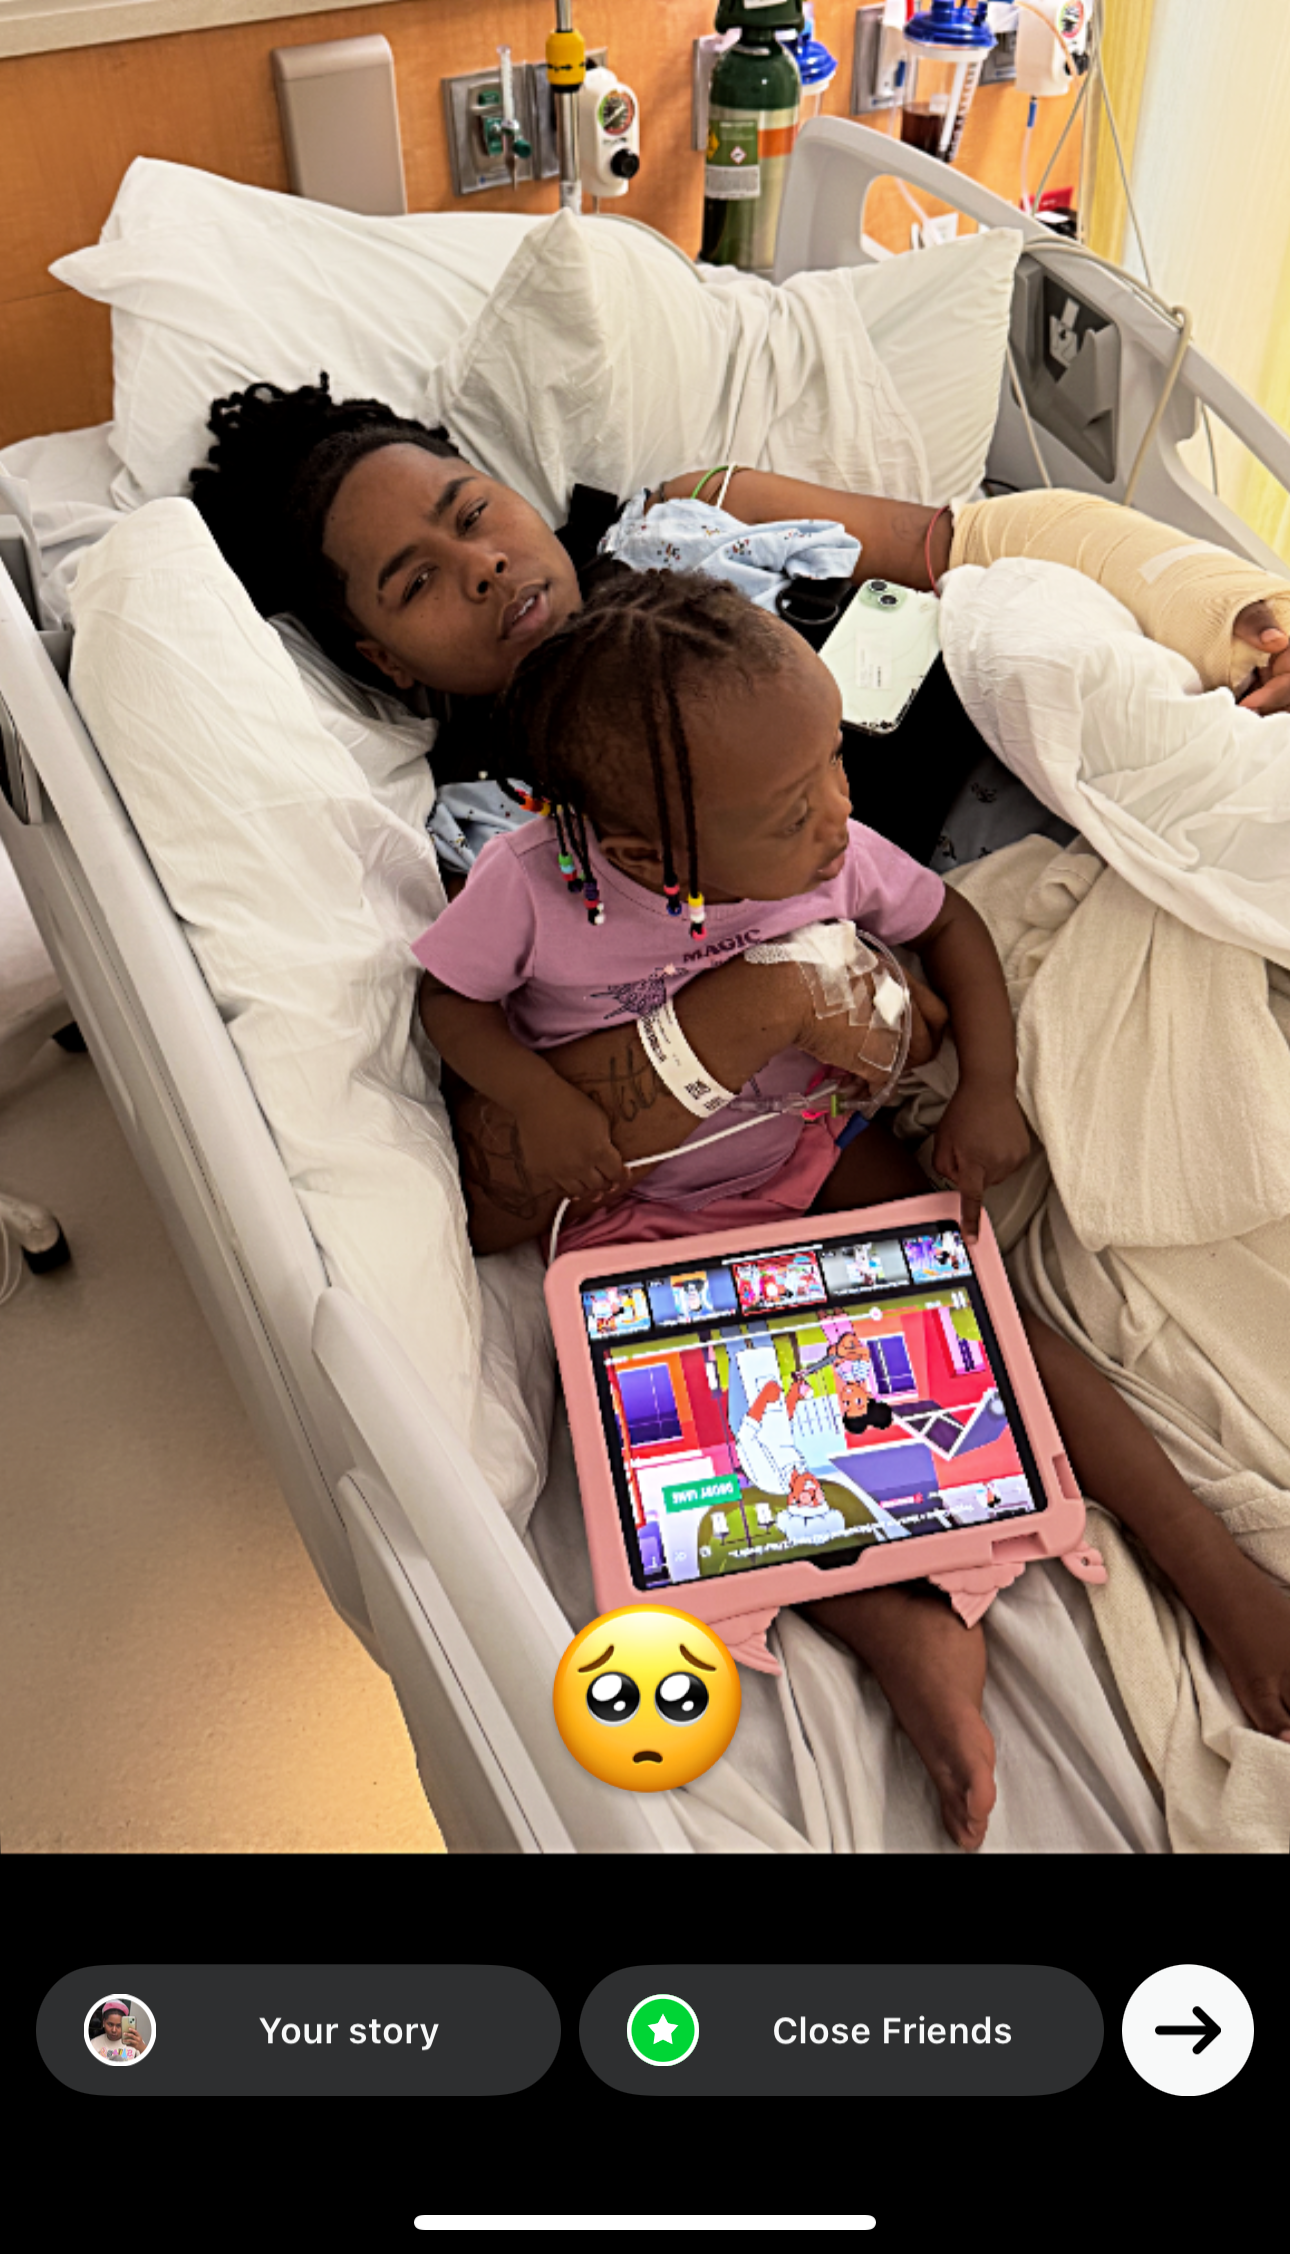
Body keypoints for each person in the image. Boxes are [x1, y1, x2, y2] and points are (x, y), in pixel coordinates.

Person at [189, 383, 1290, 1829]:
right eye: (419, 581)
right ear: (379, 656)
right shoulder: (505, 838)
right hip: (828, 1078)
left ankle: (1212, 1571)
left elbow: (969, 541)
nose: (486, 563)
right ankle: (901, 1629)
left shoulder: (689, 525)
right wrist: (765, 1013)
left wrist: (1228, 607)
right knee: (721, 1395)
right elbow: (496, 1112)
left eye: (472, 512)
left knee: (978, 1283)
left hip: (1070, 830)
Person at [414, 566, 1290, 1841]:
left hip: (817, 1155)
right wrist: (537, 1101)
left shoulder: (832, 851)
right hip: (639, 1208)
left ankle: (1213, 1574)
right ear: (649, 854)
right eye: (794, 806)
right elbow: (451, 1006)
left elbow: (953, 933)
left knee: (992, 1319)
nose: (840, 811)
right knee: (724, 1438)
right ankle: (904, 1637)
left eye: (834, 758)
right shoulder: (534, 890)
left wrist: (986, 1086)